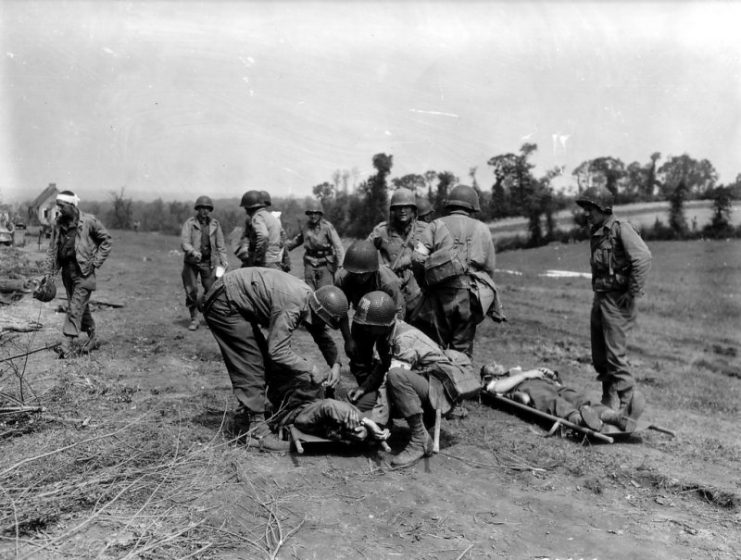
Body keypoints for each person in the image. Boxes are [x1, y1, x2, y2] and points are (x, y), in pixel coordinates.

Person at [201, 267, 349, 449]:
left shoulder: (312, 301)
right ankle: (257, 432)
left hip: (235, 299)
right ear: (317, 312)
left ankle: (261, 412)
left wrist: (335, 364)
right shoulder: (293, 306)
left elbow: (321, 335)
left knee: (267, 361)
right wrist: (310, 368)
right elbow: (277, 351)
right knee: (252, 362)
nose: (322, 326)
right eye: (323, 321)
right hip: (224, 302)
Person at [347, 291, 479, 468]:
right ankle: (385, 430)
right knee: (361, 405)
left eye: (369, 325)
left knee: (396, 377)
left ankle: (420, 440)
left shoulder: (404, 339)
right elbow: (382, 366)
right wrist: (364, 387)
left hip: (436, 392)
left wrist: (377, 422)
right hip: (415, 387)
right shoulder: (385, 335)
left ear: (383, 323)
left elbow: (389, 381)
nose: (365, 329)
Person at [575, 187, 652, 411]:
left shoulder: (621, 229)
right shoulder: (598, 232)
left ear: (603, 208)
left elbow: (643, 258)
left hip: (617, 300)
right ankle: (607, 399)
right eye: (585, 209)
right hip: (600, 297)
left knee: (615, 355)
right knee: (600, 355)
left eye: (590, 209)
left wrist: (633, 291)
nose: (586, 214)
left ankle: (628, 408)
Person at [412, 184, 504, 358]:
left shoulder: (435, 225)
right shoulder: (483, 229)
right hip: (470, 296)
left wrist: (424, 283)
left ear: (450, 204)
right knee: (461, 352)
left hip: (439, 294)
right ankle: (462, 381)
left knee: (433, 349)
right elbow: (490, 268)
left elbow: (417, 258)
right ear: (472, 206)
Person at [480, 362, 646, 433]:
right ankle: (579, 420)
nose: (495, 364)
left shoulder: (514, 372)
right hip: (529, 389)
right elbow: (496, 389)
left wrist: (551, 376)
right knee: (553, 401)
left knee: (578, 398)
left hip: (550, 385)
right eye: (491, 365)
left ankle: (618, 418)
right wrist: (526, 374)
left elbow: (556, 385)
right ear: (489, 374)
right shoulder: (496, 381)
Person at [44, 190, 112, 358]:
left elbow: (107, 240)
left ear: (72, 205)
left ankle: (66, 347)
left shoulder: (88, 221)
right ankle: (93, 337)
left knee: (74, 308)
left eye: (62, 206)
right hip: (67, 273)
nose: (59, 210)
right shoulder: (58, 224)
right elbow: (52, 249)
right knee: (81, 306)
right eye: (57, 206)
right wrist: (49, 273)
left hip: (84, 274)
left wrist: (96, 262)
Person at [335, 239, 405, 378]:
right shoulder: (343, 279)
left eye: (364, 274)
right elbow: (341, 311)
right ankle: (365, 393)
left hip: (387, 323)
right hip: (362, 318)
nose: (360, 278)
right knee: (358, 360)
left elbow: (399, 313)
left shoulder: (388, 282)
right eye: (356, 274)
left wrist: (390, 342)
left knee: (386, 360)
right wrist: (348, 340)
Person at [368, 188, 428, 321]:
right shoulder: (382, 230)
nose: (402, 210)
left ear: (413, 210)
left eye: (407, 207)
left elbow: (436, 254)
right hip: (390, 290)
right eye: (398, 207)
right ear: (393, 210)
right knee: (387, 331)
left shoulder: (425, 230)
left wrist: (409, 260)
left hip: (417, 292)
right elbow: (364, 253)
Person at [180, 195, 228, 331]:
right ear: (197, 209)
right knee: (192, 290)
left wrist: (224, 260)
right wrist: (193, 252)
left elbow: (221, 246)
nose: (204, 211)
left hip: (209, 263)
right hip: (191, 263)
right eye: (202, 208)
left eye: (207, 209)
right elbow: (184, 243)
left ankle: (210, 317)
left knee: (212, 290)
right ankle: (194, 318)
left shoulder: (215, 224)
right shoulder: (190, 223)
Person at [286, 199, 345, 289]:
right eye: (311, 213)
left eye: (316, 213)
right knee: (309, 291)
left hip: (325, 263)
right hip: (309, 263)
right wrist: (286, 246)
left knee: (325, 291)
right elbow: (299, 239)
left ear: (320, 214)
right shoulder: (306, 226)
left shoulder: (327, 227)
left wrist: (341, 264)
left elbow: (338, 245)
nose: (313, 216)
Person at [235, 190, 283, 269]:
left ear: (249, 208)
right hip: (275, 260)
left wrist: (258, 258)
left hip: (265, 261)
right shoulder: (271, 217)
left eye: (246, 208)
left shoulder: (258, 217)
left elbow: (263, 236)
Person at [260, 190, 292, 272]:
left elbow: (283, 238)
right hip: (270, 258)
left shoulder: (272, 218)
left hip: (272, 258)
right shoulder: (269, 218)